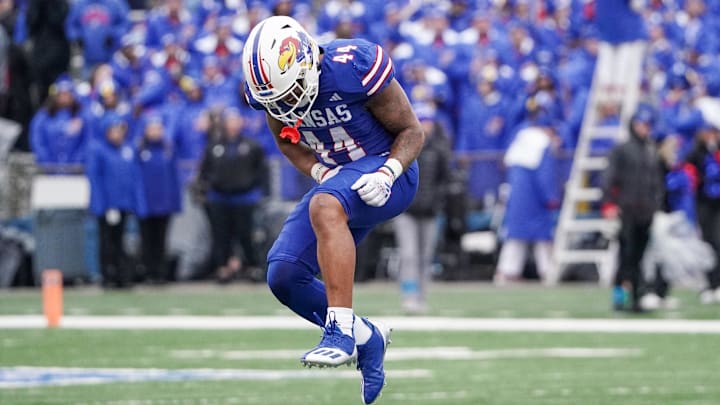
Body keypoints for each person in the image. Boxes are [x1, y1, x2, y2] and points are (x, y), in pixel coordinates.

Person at [242, 16, 424, 404]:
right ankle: (366, 337)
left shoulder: (352, 65)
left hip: (390, 172)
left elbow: (412, 131)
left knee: (324, 205)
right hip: (340, 179)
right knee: (284, 274)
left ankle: (340, 328)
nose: (285, 105)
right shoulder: (274, 91)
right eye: (276, 100)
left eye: (288, 95)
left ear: (307, 63)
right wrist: (321, 170)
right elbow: (288, 142)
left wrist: (390, 172)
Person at [602, 107, 664, 312]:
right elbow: (609, 179)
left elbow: (656, 181)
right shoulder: (621, 150)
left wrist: (656, 204)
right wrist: (610, 204)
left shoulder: (651, 150)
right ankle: (619, 296)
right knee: (626, 255)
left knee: (639, 256)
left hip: (645, 211)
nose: (644, 129)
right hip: (626, 210)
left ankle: (637, 296)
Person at [194, 108, 266, 283]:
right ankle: (223, 267)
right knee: (221, 235)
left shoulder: (251, 146)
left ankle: (252, 267)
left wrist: (255, 189)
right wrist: (207, 187)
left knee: (246, 234)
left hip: (245, 197)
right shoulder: (214, 146)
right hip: (219, 197)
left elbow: (261, 171)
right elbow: (204, 170)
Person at [392, 105, 450, 314]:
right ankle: (409, 295)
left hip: (430, 210)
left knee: (426, 255)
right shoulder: (404, 145)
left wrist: (438, 201)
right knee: (409, 254)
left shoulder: (440, 148)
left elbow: (445, 180)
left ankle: (423, 296)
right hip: (406, 209)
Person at [494, 116, 561, 285]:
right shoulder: (543, 144)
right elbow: (545, 176)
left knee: (515, 236)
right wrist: (551, 197)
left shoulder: (522, 138)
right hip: (535, 199)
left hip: (517, 196)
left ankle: (506, 271)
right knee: (543, 237)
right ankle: (547, 271)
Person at [86, 112, 139, 289]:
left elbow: (132, 178)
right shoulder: (98, 150)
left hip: (123, 203)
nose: (117, 133)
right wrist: (102, 205)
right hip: (108, 205)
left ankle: (122, 276)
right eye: (114, 130)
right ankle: (107, 275)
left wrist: (134, 202)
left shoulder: (127, 149)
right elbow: (95, 180)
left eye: (120, 129)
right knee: (107, 241)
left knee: (120, 240)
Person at [134, 113, 181, 284]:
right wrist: (139, 202)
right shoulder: (139, 150)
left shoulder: (168, 149)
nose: (155, 132)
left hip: (164, 203)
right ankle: (148, 271)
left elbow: (174, 178)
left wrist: (175, 202)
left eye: (158, 128)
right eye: (151, 128)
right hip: (146, 203)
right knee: (147, 240)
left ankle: (160, 273)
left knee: (162, 240)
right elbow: (136, 178)